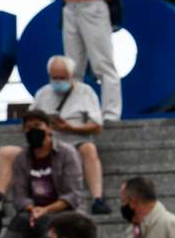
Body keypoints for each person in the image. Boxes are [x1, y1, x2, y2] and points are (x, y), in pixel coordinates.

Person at [20, 55, 109, 214]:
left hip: (77, 142)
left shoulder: (86, 92)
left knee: (89, 149)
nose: (58, 82)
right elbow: (28, 122)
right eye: (55, 78)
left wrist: (71, 128)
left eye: (63, 78)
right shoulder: (42, 94)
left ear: (71, 76)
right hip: (47, 144)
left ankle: (98, 199)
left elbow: (97, 126)